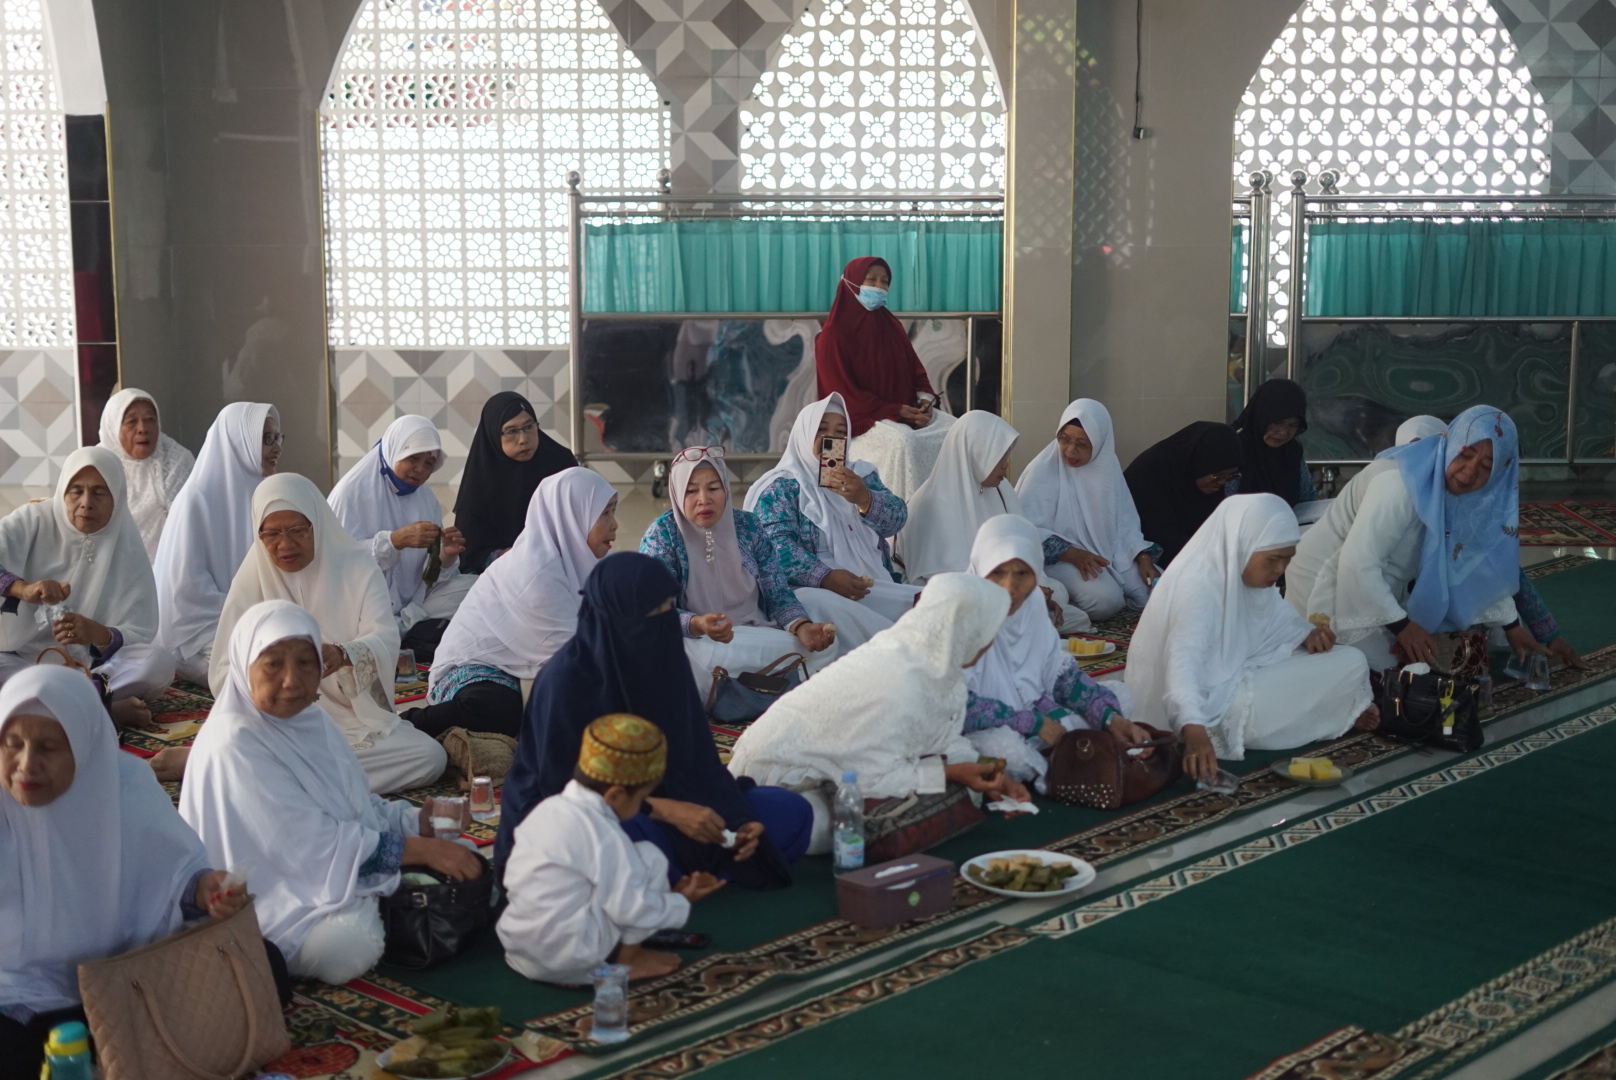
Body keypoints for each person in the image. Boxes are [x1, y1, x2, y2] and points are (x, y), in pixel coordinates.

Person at [181, 601, 479, 984]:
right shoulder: (234, 743)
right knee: (345, 946)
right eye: (273, 664)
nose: (292, 680)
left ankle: (382, 902)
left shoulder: (311, 719)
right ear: (243, 665)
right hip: (271, 894)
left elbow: (353, 803)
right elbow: (306, 844)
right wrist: (422, 850)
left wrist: (414, 822)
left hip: (329, 863)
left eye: (306, 663)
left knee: (462, 853)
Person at [1, 667, 265, 1080]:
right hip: (22, 992)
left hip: (129, 973)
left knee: (266, 962)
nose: (26, 765)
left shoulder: (124, 786)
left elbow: (174, 872)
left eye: (48, 748)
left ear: (84, 747)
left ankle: (110, 1048)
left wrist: (203, 889)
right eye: (12, 744)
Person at [496, 554, 812, 889]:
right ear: (616, 618)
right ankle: (671, 878)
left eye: (667, 611)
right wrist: (664, 810)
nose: (663, 625)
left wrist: (739, 820)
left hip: (677, 803)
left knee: (790, 811)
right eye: (652, 615)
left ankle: (673, 878)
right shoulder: (567, 681)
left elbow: (701, 764)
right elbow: (564, 791)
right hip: (587, 818)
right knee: (628, 841)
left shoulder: (665, 662)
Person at [728, 573, 1031, 851]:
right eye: (988, 630)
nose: (991, 640)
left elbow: (944, 736)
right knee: (820, 823)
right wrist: (951, 772)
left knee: (967, 792)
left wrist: (986, 772)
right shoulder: (901, 680)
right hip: (778, 779)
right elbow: (868, 778)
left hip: (848, 764)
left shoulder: (935, 664)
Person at [208, 474, 445, 793]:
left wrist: (344, 654)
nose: (285, 545)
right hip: (279, 723)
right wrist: (275, 688)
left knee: (428, 756)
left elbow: (384, 638)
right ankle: (296, 775)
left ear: (316, 523)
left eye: (298, 530)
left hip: (350, 717)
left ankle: (280, 780)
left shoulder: (358, 567)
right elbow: (223, 671)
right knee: (248, 747)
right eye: (271, 533)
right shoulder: (251, 579)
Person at [1125, 495, 1378, 780]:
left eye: (1287, 559)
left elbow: (1278, 619)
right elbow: (1181, 666)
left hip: (1240, 671)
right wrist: (1193, 728)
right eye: (1272, 560)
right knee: (1252, 702)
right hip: (1208, 707)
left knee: (1352, 658)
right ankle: (1333, 712)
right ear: (1242, 545)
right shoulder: (1197, 586)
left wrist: (1307, 634)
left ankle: (1339, 711)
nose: (1280, 570)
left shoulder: (1252, 575)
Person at [1285, 406, 1535, 674]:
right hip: (1326, 580)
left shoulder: (1465, 496)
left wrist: (1511, 625)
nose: (1470, 471)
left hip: (1375, 586)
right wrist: (1402, 626)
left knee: (1415, 672)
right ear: (1450, 443)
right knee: (1374, 676)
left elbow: (1473, 561)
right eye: (1465, 454)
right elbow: (1357, 562)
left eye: (1486, 466)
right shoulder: (1399, 481)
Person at [499, 714, 724, 985]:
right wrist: (681, 900)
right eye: (641, 798)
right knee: (650, 858)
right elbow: (631, 909)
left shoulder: (546, 809)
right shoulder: (605, 835)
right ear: (615, 795)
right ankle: (629, 960)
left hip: (520, 951)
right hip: (572, 961)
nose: (642, 806)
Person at [411, 468, 619, 739]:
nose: (614, 524)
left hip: (525, 663)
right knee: (498, 708)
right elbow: (573, 652)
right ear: (573, 516)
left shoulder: (588, 561)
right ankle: (409, 725)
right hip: (475, 666)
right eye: (605, 513)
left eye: (613, 511)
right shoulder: (536, 569)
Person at [963, 515, 1154, 786]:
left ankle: (1060, 756)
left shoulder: (1032, 606)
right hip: (979, 726)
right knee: (1010, 755)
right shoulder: (960, 612)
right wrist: (1033, 723)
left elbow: (1060, 676)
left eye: (1022, 574)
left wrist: (1109, 718)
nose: (1010, 588)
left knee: (1118, 697)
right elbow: (956, 707)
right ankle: (1063, 757)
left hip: (1035, 710)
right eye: (998, 573)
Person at [639, 447, 837, 701]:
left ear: (726, 488)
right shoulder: (662, 535)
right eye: (691, 491)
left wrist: (801, 626)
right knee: (676, 654)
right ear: (676, 492)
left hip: (754, 636)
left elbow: (777, 592)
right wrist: (698, 624)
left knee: (824, 649)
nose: (704, 499)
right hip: (699, 642)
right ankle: (767, 689)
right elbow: (653, 610)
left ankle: (732, 692)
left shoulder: (749, 527)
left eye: (713, 488)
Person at [0, 448, 175, 726]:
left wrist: (97, 633)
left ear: (117, 496)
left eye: (99, 492)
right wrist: (23, 589)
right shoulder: (33, 520)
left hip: (88, 669)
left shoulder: (126, 543)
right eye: (76, 491)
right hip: (20, 661)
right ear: (63, 490)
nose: (86, 503)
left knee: (158, 663)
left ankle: (55, 706)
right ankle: (103, 708)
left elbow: (139, 630)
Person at [744, 393, 921, 651]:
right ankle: (891, 650)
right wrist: (824, 577)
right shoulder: (780, 486)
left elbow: (896, 521)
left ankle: (902, 645)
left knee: (927, 600)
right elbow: (773, 547)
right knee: (815, 602)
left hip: (872, 583)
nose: (832, 439)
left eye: (841, 432)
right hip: (815, 587)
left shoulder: (861, 475)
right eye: (822, 430)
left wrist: (865, 498)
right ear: (804, 435)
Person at [896, 410, 1083, 629]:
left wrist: (1029, 588)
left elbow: (1020, 550)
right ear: (975, 454)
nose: (1005, 465)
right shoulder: (928, 503)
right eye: (998, 457)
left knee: (1061, 599)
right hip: (954, 598)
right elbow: (941, 583)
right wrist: (1015, 593)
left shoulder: (1000, 489)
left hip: (1002, 588)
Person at [153, 401, 281, 686]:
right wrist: (245, 611)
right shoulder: (195, 499)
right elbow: (186, 591)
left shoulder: (265, 492)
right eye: (266, 439)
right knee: (264, 673)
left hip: (257, 616)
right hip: (202, 631)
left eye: (277, 437)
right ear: (239, 442)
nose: (276, 448)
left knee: (306, 654)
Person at [328, 415, 473, 655]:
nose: (420, 469)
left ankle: (401, 629)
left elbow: (429, 578)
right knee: (357, 627)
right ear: (394, 450)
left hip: (413, 602)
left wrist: (445, 555)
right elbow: (336, 564)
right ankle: (401, 631)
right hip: (361, 608)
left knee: (475, 588)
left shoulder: (426, 499)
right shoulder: (351, 494)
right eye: (413, 458)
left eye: (429, 463)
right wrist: (395, 541)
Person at [814, 256, 955, 500]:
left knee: (955, 431)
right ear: (851, 282)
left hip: (903, 413)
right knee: (902, 442)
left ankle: (947, 511)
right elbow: (841, 395)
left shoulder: (892, 327)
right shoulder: (832, 336)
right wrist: (895, 410)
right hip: (859, 420)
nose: (879, 287)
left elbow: (916, 371)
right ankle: (900, 514)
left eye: (884, 282)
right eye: (871, 280)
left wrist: (925, 401)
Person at [1015, 399, 1159, 621]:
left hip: (1107, 553)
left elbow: (1126, 524)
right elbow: (1024, 529)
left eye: (1082, 443)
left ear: (1099, 443)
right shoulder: (1042, 470)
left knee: (1158, 591)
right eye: (1065, 439)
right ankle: (1063, 602)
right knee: (1105, 602)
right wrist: (1072, 553)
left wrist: (1143, 557)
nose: (1071, 450)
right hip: (1058, 558)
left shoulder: (1108, 469)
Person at [453, 391, 578, 574]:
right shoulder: (481, 481)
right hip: (499, 575)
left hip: (561, 566)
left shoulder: (561, 463)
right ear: (494, 435)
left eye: (529, 427)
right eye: (511, 431)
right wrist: (504, 556)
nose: (523, 439)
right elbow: (469, 554)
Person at [1123, 420, 1242, 567]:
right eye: (1218, 475)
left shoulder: (1219, 485)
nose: (1223, 482)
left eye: (1230, 476)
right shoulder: (1148, 476)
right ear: (1199, 463)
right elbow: (1161, 535)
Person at [96, 388, 195, 560]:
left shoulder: (179, 460)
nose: (142, 429)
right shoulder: (98, 468)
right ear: (113, 427)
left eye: (150, 420)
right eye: (131, 422)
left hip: (179, 566)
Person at [1231, 379, 1317, 506]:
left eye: (1292, 425)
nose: (1283, 432)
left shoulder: (1292, 452)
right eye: (1277, 422)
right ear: (1261, 415)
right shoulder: (1233, 447)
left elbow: (1307, 499)